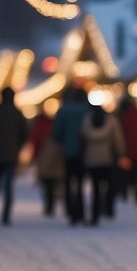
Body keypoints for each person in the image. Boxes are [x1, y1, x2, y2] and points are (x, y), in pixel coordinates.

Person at [0, 87, 29, 225]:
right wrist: (17, 146)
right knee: (8, 185)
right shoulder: (17, 114)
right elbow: (24, 134)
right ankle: (6, 214)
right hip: (11, 155)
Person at [81, 103, 127, 225]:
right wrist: (121, 153)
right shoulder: (111, 121)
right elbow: (118, 139)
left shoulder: (87, 120)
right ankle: (108, 209)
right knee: (109, 185)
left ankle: (94, 214)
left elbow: (82, 137)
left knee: (95, 188)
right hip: (107, 159)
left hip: (91, 159)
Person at [52, 87, 90, 225]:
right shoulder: (87, 110)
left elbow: (57, 132)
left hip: (67, 151)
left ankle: (70, 211)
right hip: (84, 151)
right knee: (80, 183)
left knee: (68, 181)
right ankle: (80, 211)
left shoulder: (64, 110)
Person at [29, 109, 65, 216]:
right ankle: (52, 204)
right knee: (55, 182)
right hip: (56, 159)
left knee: (46, 183)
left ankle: (48, 205)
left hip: (43, 158)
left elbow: (35, 143)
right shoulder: (54, 126)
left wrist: (34, 158)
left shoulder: (39, 127)